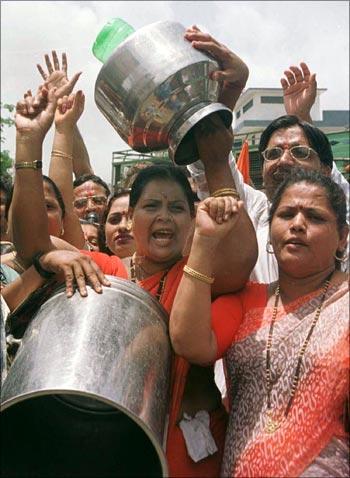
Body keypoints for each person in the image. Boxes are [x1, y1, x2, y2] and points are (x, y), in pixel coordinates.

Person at [170, 168, 349, 477]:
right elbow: (191, 344)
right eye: (286, 214)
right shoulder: (247, 299)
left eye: (315, 217)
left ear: (343, 237)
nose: (297, 224)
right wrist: (204, 242)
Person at [185, 28, 350, 283]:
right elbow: (211, 158)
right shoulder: (256, 213)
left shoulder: (340, 228)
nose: (283, 160)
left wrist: (303, 120)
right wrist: (231, 89)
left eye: (300, 152)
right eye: (273, 153)